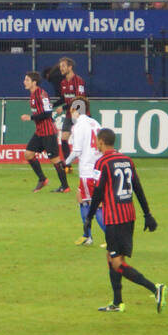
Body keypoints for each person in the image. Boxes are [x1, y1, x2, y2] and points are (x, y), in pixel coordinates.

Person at [85, 128, 166, 313]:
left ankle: (155, 289)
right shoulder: (127, 161)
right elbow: (137, 187)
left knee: (117, 262)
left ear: (101, 142)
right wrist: (147, 214)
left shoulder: (102, 162)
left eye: (97, 141)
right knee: (112, 257)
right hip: (129, 216)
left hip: (114, 219)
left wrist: (89, 216)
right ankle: (117, 302)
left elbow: (97, 192)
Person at [63, 99, 106, 246]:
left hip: (88, 171)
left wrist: (66, 163)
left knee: (96, 204)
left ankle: (111, 238)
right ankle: (87, 235)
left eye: (71, 110)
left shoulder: (79, 126)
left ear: (76, 109)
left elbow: (76, 151)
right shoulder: (95, 123)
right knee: (80, 197)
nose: (70, 113)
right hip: (98, 168)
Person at [21, 71, 68, 192]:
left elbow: (47, 113)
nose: (24, 82)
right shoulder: (32, 94)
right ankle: (42, 179)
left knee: (55, 160)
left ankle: (65, 187)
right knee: (28, 154)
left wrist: (30, 117)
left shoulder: (42, 94)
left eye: (27, 80)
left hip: (48, 132)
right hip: (40, 132)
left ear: (34, 82)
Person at [46, 57, 87, 168]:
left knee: (85, 140)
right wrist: (52, 105)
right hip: (70, 115)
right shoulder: (63, 82)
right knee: (64, 138)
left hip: (81, 115)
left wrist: (63, 108)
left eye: (63, 66)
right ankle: (67, 165)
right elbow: (64, 98)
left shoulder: (79, 81)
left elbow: (79, 100)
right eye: (60, 67)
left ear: (70, 67)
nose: (61, 68)